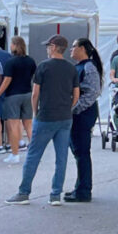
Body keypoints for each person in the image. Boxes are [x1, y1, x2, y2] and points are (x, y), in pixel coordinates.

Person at [6, 35, 80, 206]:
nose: (47, 48)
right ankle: (55, 195)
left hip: (46, 116)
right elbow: (76, 94)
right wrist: (69, 108)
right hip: (65, 117)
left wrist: (36, 111)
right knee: (61, 158)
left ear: (53, 47)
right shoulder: (71, 68)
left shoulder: (44, 66)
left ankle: (24, 192)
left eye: (48, 46)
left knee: (33, 155)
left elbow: (35, 93)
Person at [0, 36, 37, 164]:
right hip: (27, 93)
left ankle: (15, 154)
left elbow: (6, 81)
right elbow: (34, 76)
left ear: (16, 45)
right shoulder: (30, 61)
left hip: (13, 96)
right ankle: (34, 154)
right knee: (28, 125)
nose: (10, 46)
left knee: (14, 125)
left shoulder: (11, 62)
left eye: (11, 44)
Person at [66, 38, 102, 202]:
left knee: (82, 152)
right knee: (78, 152)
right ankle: (79, 187)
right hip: (77, 114)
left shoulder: (89, 67)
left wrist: (75, 108)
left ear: (82, 48)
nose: (71, 50)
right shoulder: (79, 67)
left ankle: (84, 190)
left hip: (83, 114)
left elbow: (92, 92)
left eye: (74, 47)